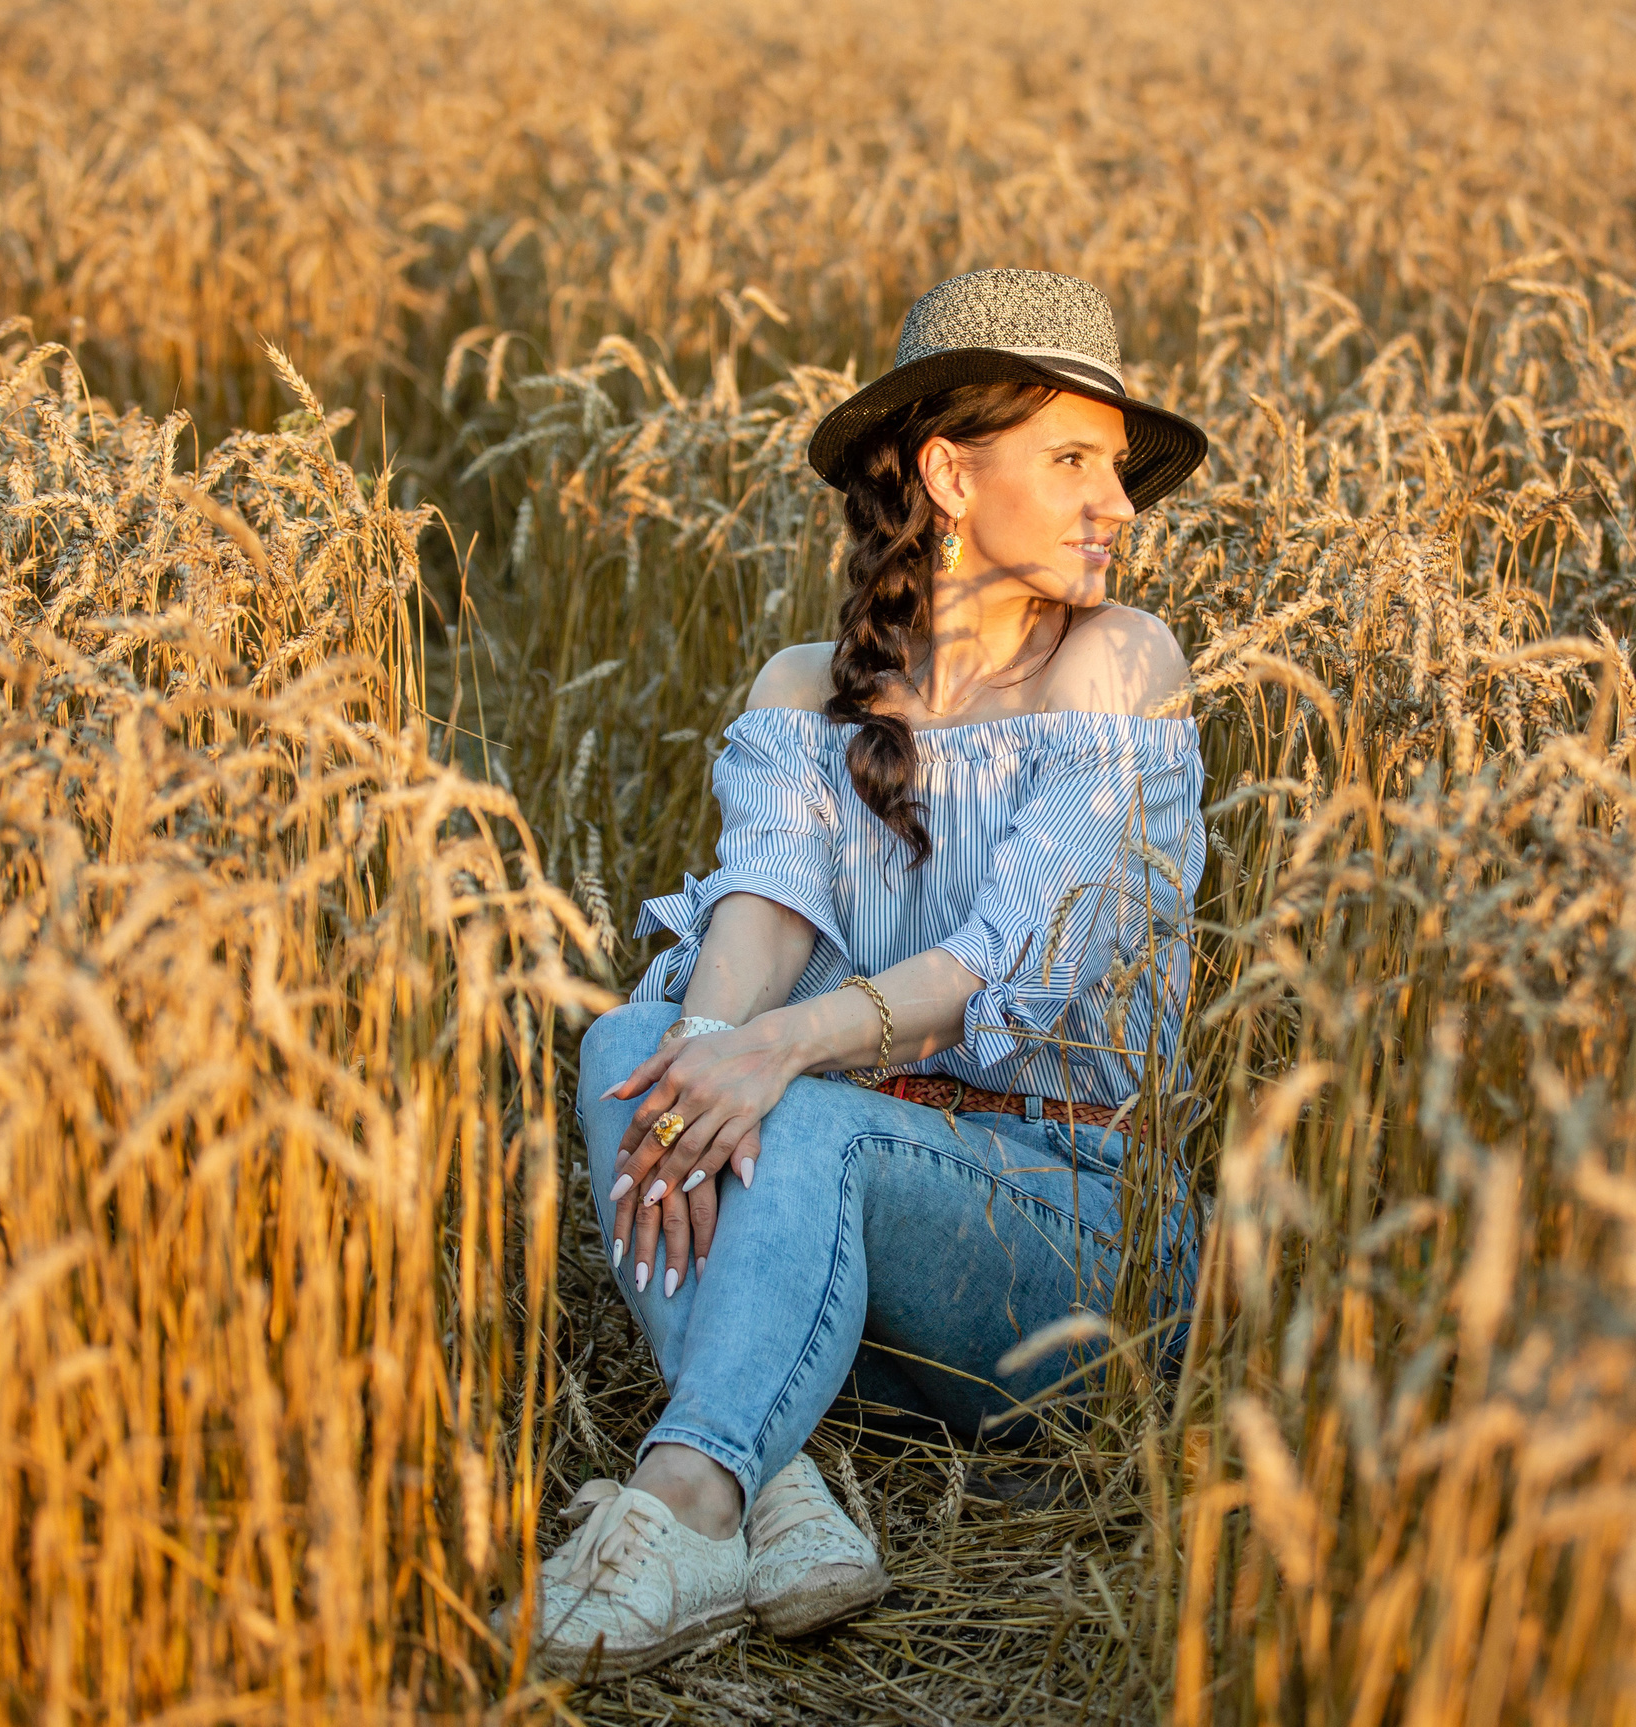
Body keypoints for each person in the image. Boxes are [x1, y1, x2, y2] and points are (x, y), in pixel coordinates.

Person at [503, 269, 1211, 1679]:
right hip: (854, 1265)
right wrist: (701, 1057)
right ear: (952, 475)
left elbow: (1020, 947)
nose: (1116, 507)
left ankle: (688, 1499)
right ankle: (779, 1488)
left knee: (799, 1102)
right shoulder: (798, 689)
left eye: (1117, 472)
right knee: (626, 1049)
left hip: (1067, 1251)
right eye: (1073, 460)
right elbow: (760, 916)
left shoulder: (1120, 662)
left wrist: (782, 1055)